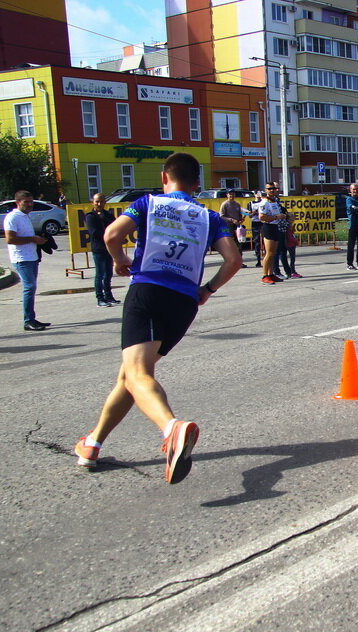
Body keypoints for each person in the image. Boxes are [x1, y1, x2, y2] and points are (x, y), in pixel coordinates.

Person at [73, 152, 242, 483]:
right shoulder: (209, 217)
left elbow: (111, 235)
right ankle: (92, 443)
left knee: (137, 373)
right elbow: (233, 260)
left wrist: (120, 259)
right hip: (184, 302)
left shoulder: (148, 203)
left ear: (166, 177)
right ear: (196, 185)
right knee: (131, 376)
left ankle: (171, 427)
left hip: (149, 290)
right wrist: (207, 289)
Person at [3, 190, 50, 331]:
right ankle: (28, 320)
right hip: (21, 258)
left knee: (32, 287)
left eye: (31, 202)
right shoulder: (12, 217)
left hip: (31, 257)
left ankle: (32, 318)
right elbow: (10, 239)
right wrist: (32, 239)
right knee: (29, 287)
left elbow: (26, 236)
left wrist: (38, 238)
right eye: (26, 202)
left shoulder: (25, 216)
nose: (30, 205)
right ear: (18, 202)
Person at [85, 193, 120, 307]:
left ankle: (109, 296)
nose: (99, 204)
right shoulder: (90, 216)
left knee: (108, 273)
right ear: (93, 202)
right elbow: (94, 232)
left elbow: (114, 226)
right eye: (97, 201)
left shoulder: (108, 214)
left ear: (105, 202)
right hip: (98, 248)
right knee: (100, 274)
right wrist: (107, 235)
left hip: (109, 248)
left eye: (101, 201)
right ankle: (100, 298)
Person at [257, 182, 288, 284]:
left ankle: (271, 274)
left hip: (275, 226)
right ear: (266, 190)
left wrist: (283, 216)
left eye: (274, 188)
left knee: (273, 253)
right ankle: (265, 275)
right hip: (268, 227)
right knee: (269, 253)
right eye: (270, 189)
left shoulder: (274, 201)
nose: (272, 190)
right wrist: (276, 217)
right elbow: (261, 217)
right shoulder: (264, 202)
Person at [219, 190, 247, 268]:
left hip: (237, 226)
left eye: (233, 194)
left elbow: (240, 214)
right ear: (227, 195)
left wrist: (241, 219)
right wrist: (232, 220)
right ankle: (232, 262)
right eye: (230, 194)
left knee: (240, 243)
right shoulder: (225, 204)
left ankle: (240, 261)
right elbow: (221, 216)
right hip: (229, 226)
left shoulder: (237, 204)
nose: (232, 195)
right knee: (232, 244)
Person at [247, 191, 263, 266]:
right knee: (257, 242)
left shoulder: (264, 202)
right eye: (257, 193)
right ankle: (258, 260)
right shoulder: (250, 203)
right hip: (255, 223)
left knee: (265, 241)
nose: (259, 195)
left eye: (260, 193)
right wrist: (253, 213)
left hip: (263, 222)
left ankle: (267, 259)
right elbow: (249, 215)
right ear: (254, 194)